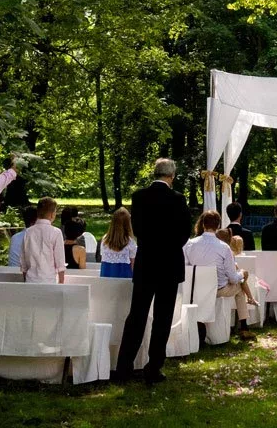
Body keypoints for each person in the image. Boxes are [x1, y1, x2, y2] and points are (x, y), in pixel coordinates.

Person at [114, 158, 191, 384]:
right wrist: (170, 245)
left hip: (146, 261)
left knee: (136, 315)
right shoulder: (177, 199)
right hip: (169, 263)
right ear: (172, 176)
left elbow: (137, 228)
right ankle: (154, 367)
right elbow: (185, 231)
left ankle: (124, 367)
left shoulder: (139, 197)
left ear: (155, 173)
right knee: (162, 318)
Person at [184, 211, 256, 341]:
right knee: (240, 288)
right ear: (218, 226)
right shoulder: (223, 247)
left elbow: (186, 268)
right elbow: (233, 278)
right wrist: (242, 274)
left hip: (194, 289)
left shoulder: (189, 244)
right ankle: (244, 327)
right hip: (218, 290)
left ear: (203, 224)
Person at [21, 197, 66, 284]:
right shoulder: (56, 232)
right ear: (52, 214)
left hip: (30, 280)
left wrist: (25, 278)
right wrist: (61, 282)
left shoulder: (28, 232)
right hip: (49, 280)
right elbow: (60, 261)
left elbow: (23, 260)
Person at [100, 207, 138, 278]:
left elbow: (103, 261)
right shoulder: (130, 242)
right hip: (124, 280)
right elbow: (133, 265)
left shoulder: (105, 239)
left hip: (106, 278)